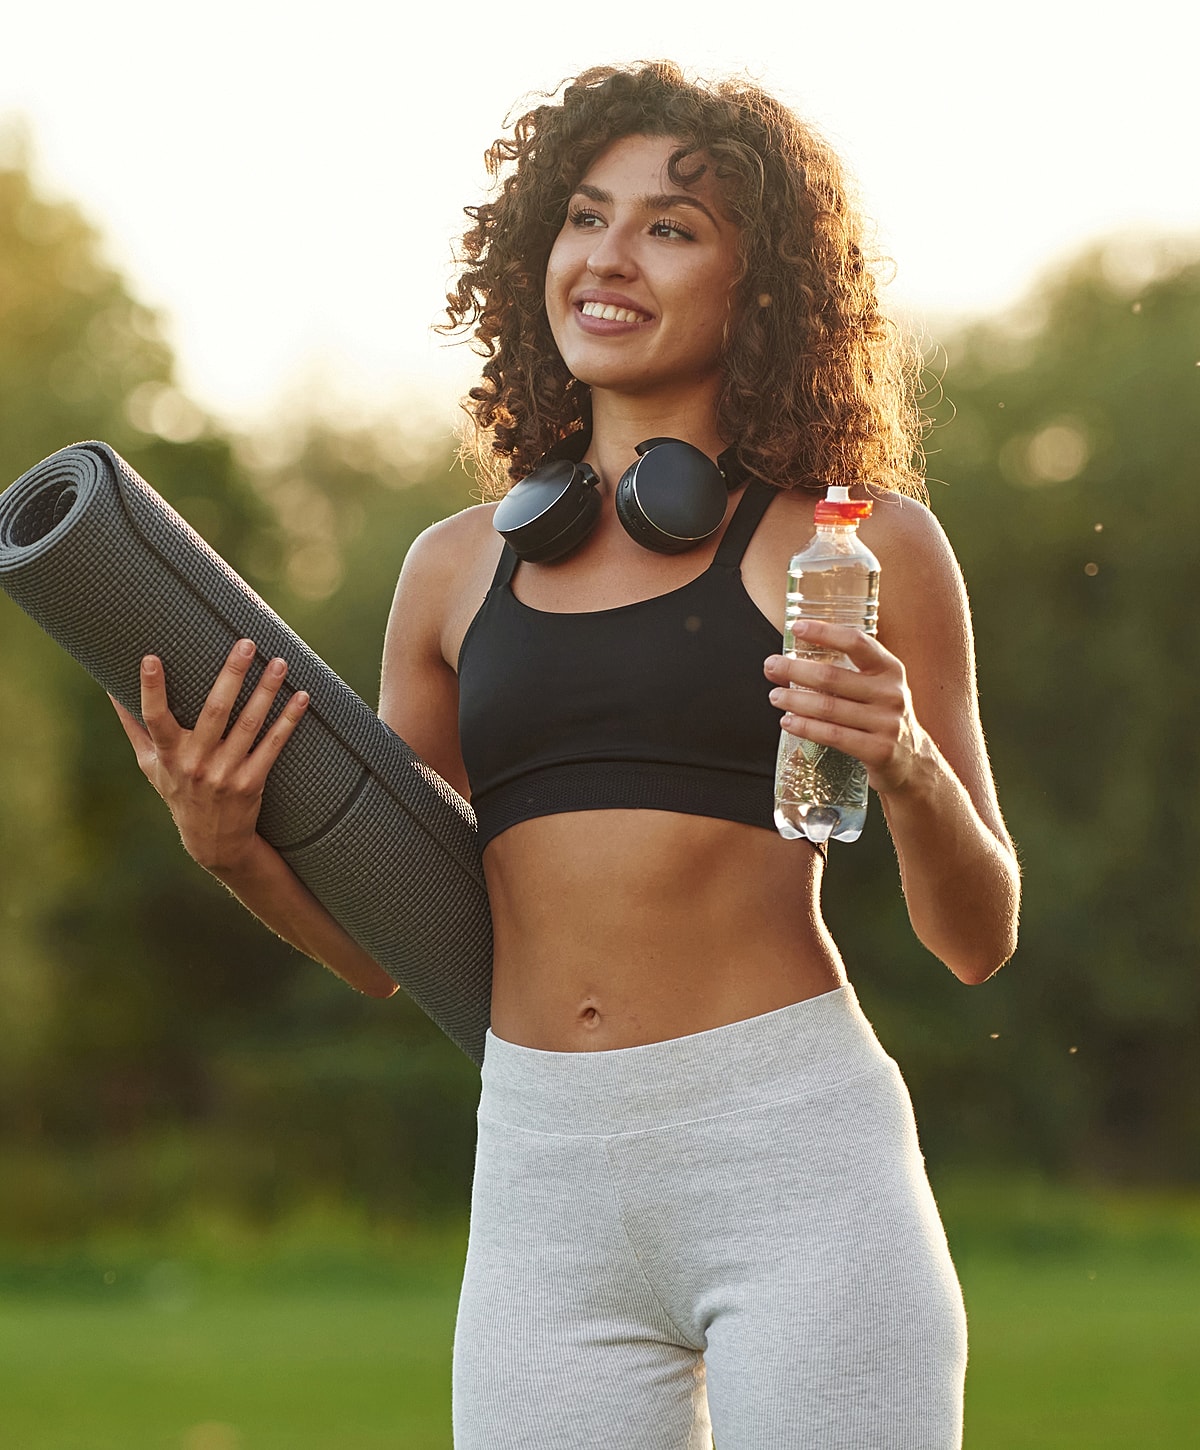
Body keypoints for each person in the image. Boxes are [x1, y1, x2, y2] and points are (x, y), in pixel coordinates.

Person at [113, 61, 1019, 1450]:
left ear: (758, 286)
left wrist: (903, 759)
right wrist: (229, 846)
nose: (608, 255)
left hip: (794, 1157)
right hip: (544, 1177)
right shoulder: (448, 574)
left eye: (671, 225)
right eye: (587, 215)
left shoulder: (856, 544)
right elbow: (388, 944)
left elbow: (978, 934)